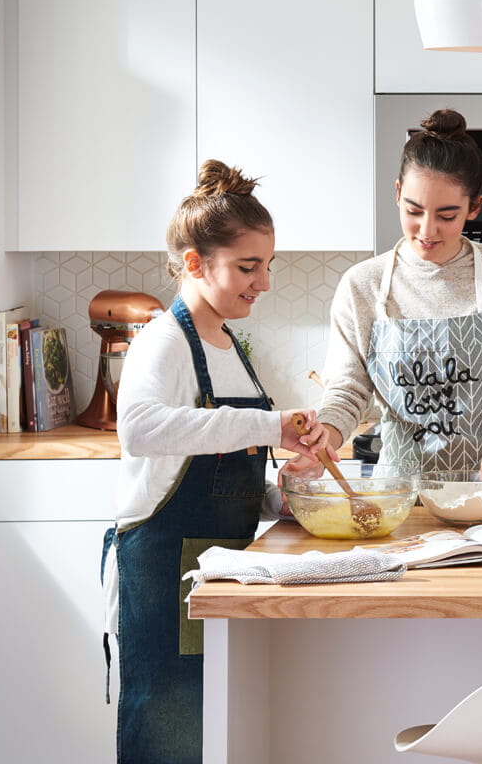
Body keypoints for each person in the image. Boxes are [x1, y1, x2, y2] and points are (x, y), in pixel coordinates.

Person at [104, 160, 329, 764]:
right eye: (248, 267)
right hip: (163, 569)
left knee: (211, 733)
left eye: (268, 266)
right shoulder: (164, 341)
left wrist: (283, 494)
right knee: (170, 730)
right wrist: (272, 425)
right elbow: (142, 428)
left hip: (216, 572)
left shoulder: (228, 344)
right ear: (195, 263)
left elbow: (224, 469)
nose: (264, 282)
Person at [287, 109, 482, 502]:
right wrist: (323, 446)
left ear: (474, 207)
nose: (427, 230)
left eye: (447, 215)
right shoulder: (364, 285)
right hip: (396, 501)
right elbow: (347, 392)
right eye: (413, 210)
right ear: (396, 193)